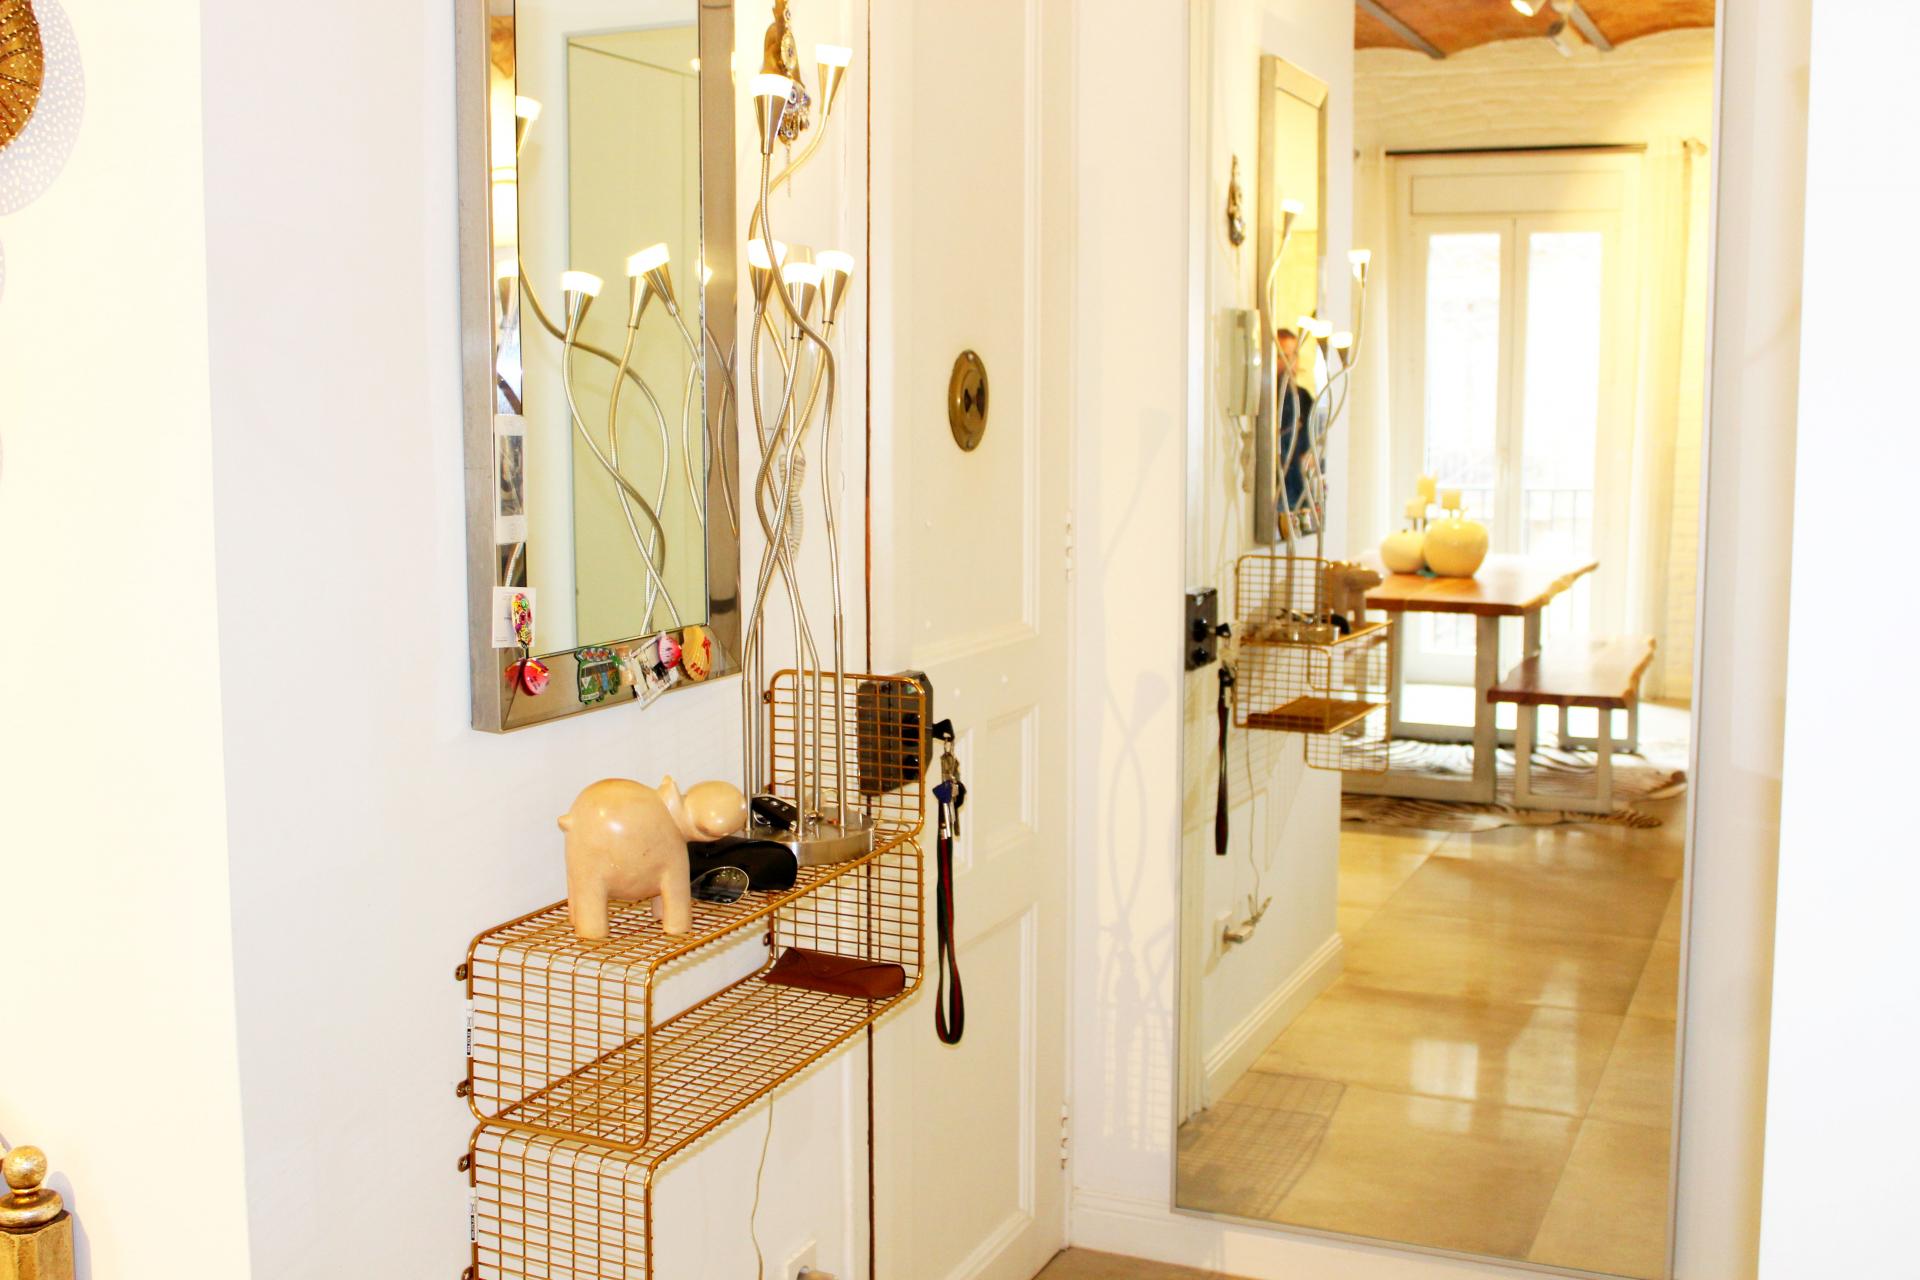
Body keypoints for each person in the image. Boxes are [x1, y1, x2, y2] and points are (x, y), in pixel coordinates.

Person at [1274, 328, 1319, 534]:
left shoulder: (1305, 399)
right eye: (1281, 355)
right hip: (1275, 493)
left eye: (1292, 355)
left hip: (1299, 493)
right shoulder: (1265, 398)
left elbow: (1311, 449)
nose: (1288, 362)